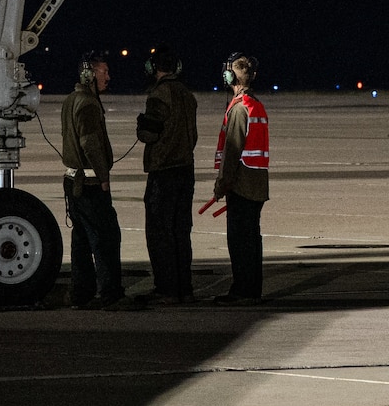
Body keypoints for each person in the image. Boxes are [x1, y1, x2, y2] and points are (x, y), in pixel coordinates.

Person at [61, 52, 131, 310]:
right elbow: (89, 142)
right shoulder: (88, 103)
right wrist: (104, 177)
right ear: (89, 74)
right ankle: (111, 294)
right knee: (106, 238)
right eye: (104, 72)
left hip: (72, 182)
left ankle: (81, 293)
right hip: (89, 184)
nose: (108, 77)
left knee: (81, 240)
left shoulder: (71, 100)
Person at [135, 46, 198, 306]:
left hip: (164, 171)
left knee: (160, 232)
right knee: (181, 231)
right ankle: (185, 288)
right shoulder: (188, 95)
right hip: (186, 169)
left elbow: (149, 134)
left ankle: (167, 288)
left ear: (153, 68)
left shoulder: (159, 95)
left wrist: (142, 127)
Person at [211, 53, 269, 305]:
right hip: (257, 184)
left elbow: (231, 152)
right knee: (252, 241)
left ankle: (242, 291)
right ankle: (252, 288)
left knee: (240, 242)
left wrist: (221, 184)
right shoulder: (255, 105)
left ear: (230, 76)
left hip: (242, 185)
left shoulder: (239, 108)